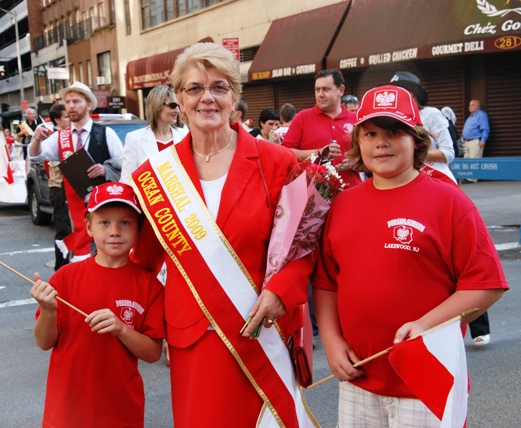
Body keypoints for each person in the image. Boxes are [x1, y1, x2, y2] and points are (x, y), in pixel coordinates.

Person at [130, 42, 316, 427]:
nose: (207, 98)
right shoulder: (155, 175)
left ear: (235, 97)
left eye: (219, 87)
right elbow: (143, 263)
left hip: (261, 329)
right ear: (179, 100)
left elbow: (302, 245)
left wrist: (282, 291)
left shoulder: (276, 161)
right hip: (194, 339)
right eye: (194, 88)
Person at [312, 84, 509, 427]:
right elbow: (327, 283)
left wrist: (426, 325)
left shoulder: (449, 202)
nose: (381, 142)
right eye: (370, 133)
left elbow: (486, 284)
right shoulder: (342, 204)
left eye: (394, 132)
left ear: (416, 140)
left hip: (425, 379)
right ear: (357, 141)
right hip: (359, 377)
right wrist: (330, 341)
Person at [30, 181, 165, 427]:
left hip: (120, 412)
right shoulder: (65, 277)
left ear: (138, 229)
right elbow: (43, 342)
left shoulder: (150, 286)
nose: (114, 231)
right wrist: (48, 310)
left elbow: (153, 353)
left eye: (125, 223)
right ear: (89, 226)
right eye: (104, 222)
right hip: (67, 411)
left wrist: (121, 329)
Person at [29, 81, 124, 262]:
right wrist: (36, 139)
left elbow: (124, 165)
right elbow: (36, 155)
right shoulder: (61, 136)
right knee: (80, 257)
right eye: (68, 102)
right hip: (74, 209)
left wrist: (105, 170)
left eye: (76, 101)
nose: (71, 106)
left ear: (88, 105)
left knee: (104, 257)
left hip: (103, 207)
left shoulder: (106, 133)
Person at [282, 69, 361, 187]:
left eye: (326, 89)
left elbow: (372, 156)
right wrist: (318, 153)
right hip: (313, 193)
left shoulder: (356, 119)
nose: (320, 94)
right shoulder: (303, 118)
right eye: (317, 90)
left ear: (341, 90)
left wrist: (357, 163)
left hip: (351, 190)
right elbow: (285, 153)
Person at [390, 71, 456, 184]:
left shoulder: (431, 114)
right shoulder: (389, 120)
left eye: (396, 92)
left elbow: (448, 153)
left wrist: (413, 153)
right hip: (402, 181)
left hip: (433, 180)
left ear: (411, 93)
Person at [120, 85, 189, 184]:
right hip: (150, 193)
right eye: (173, 105)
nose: (177, 110)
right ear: (157, 106)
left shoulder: (185, 135)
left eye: (179, 106)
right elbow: (126, 180)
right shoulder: (134, 139)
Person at [45, 104, 72, 271]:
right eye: (66, 117)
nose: (70, 120)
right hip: (59, 189)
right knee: (64, 231)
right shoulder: (54, 139)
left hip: (74, 189)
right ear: (57, 120)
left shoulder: (72, 136)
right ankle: (61, 269)